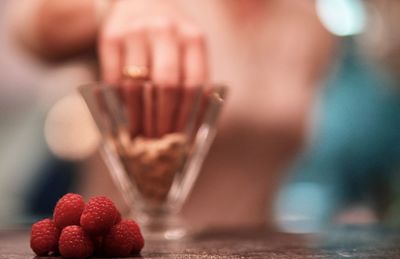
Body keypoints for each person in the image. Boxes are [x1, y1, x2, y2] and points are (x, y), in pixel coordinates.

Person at [11, 0, 334, 228]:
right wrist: (112, 6)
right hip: (131, 245)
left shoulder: (310, 23)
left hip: (257, 245)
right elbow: (31, 28)